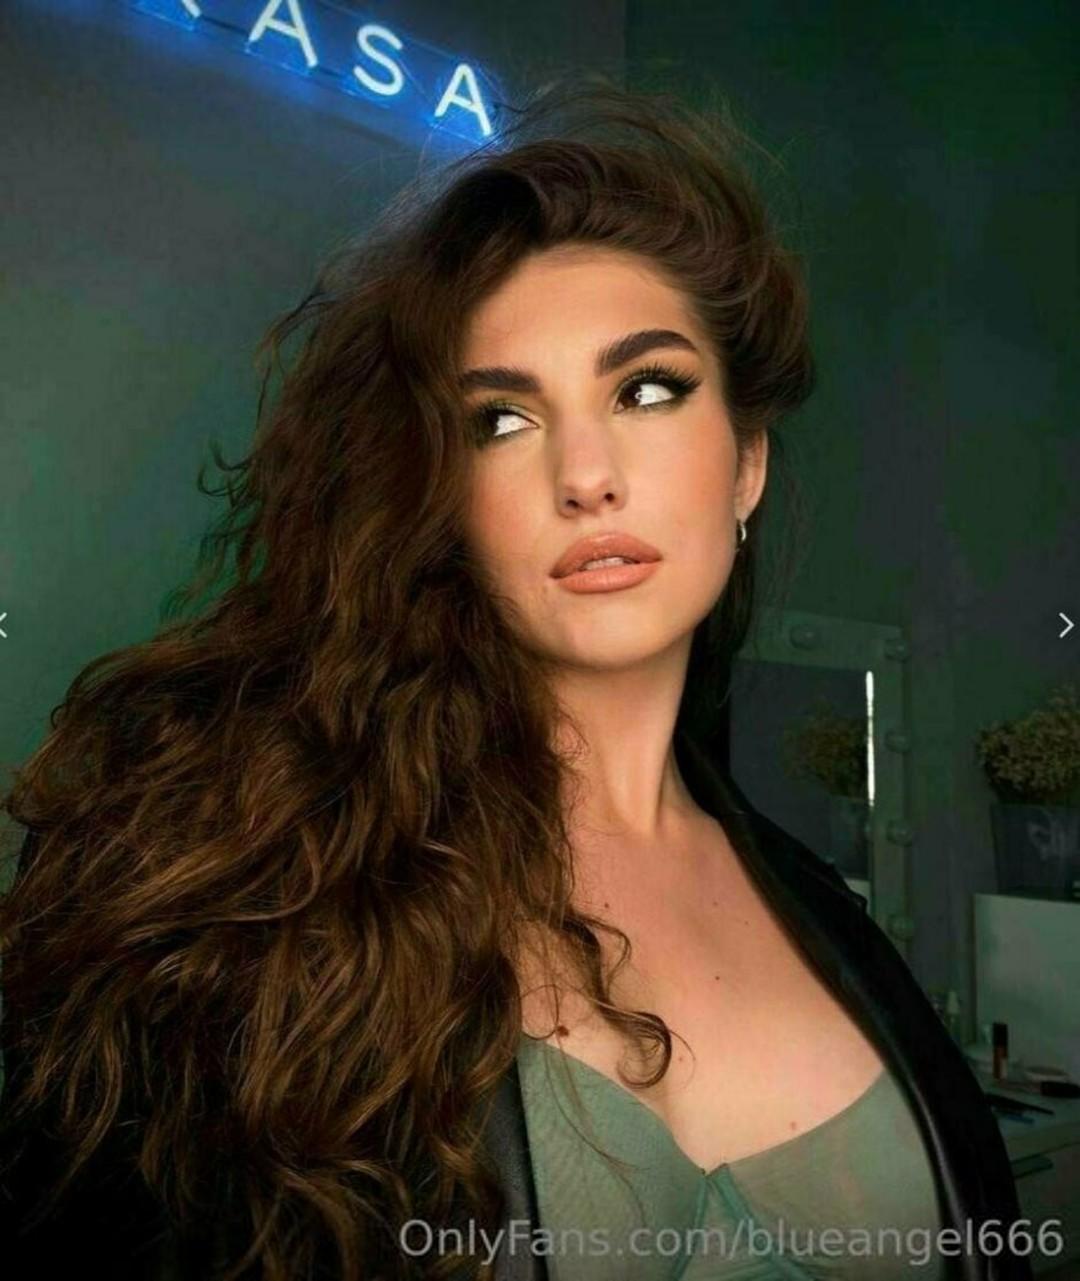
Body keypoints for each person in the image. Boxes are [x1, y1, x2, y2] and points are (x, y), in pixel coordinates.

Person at [0, 75, 1031, 1281]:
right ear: (442, 497)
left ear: (746, 463)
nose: (586, 475)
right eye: (500, 420)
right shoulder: (259, 883)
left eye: (647, 390)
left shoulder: (834, 927)